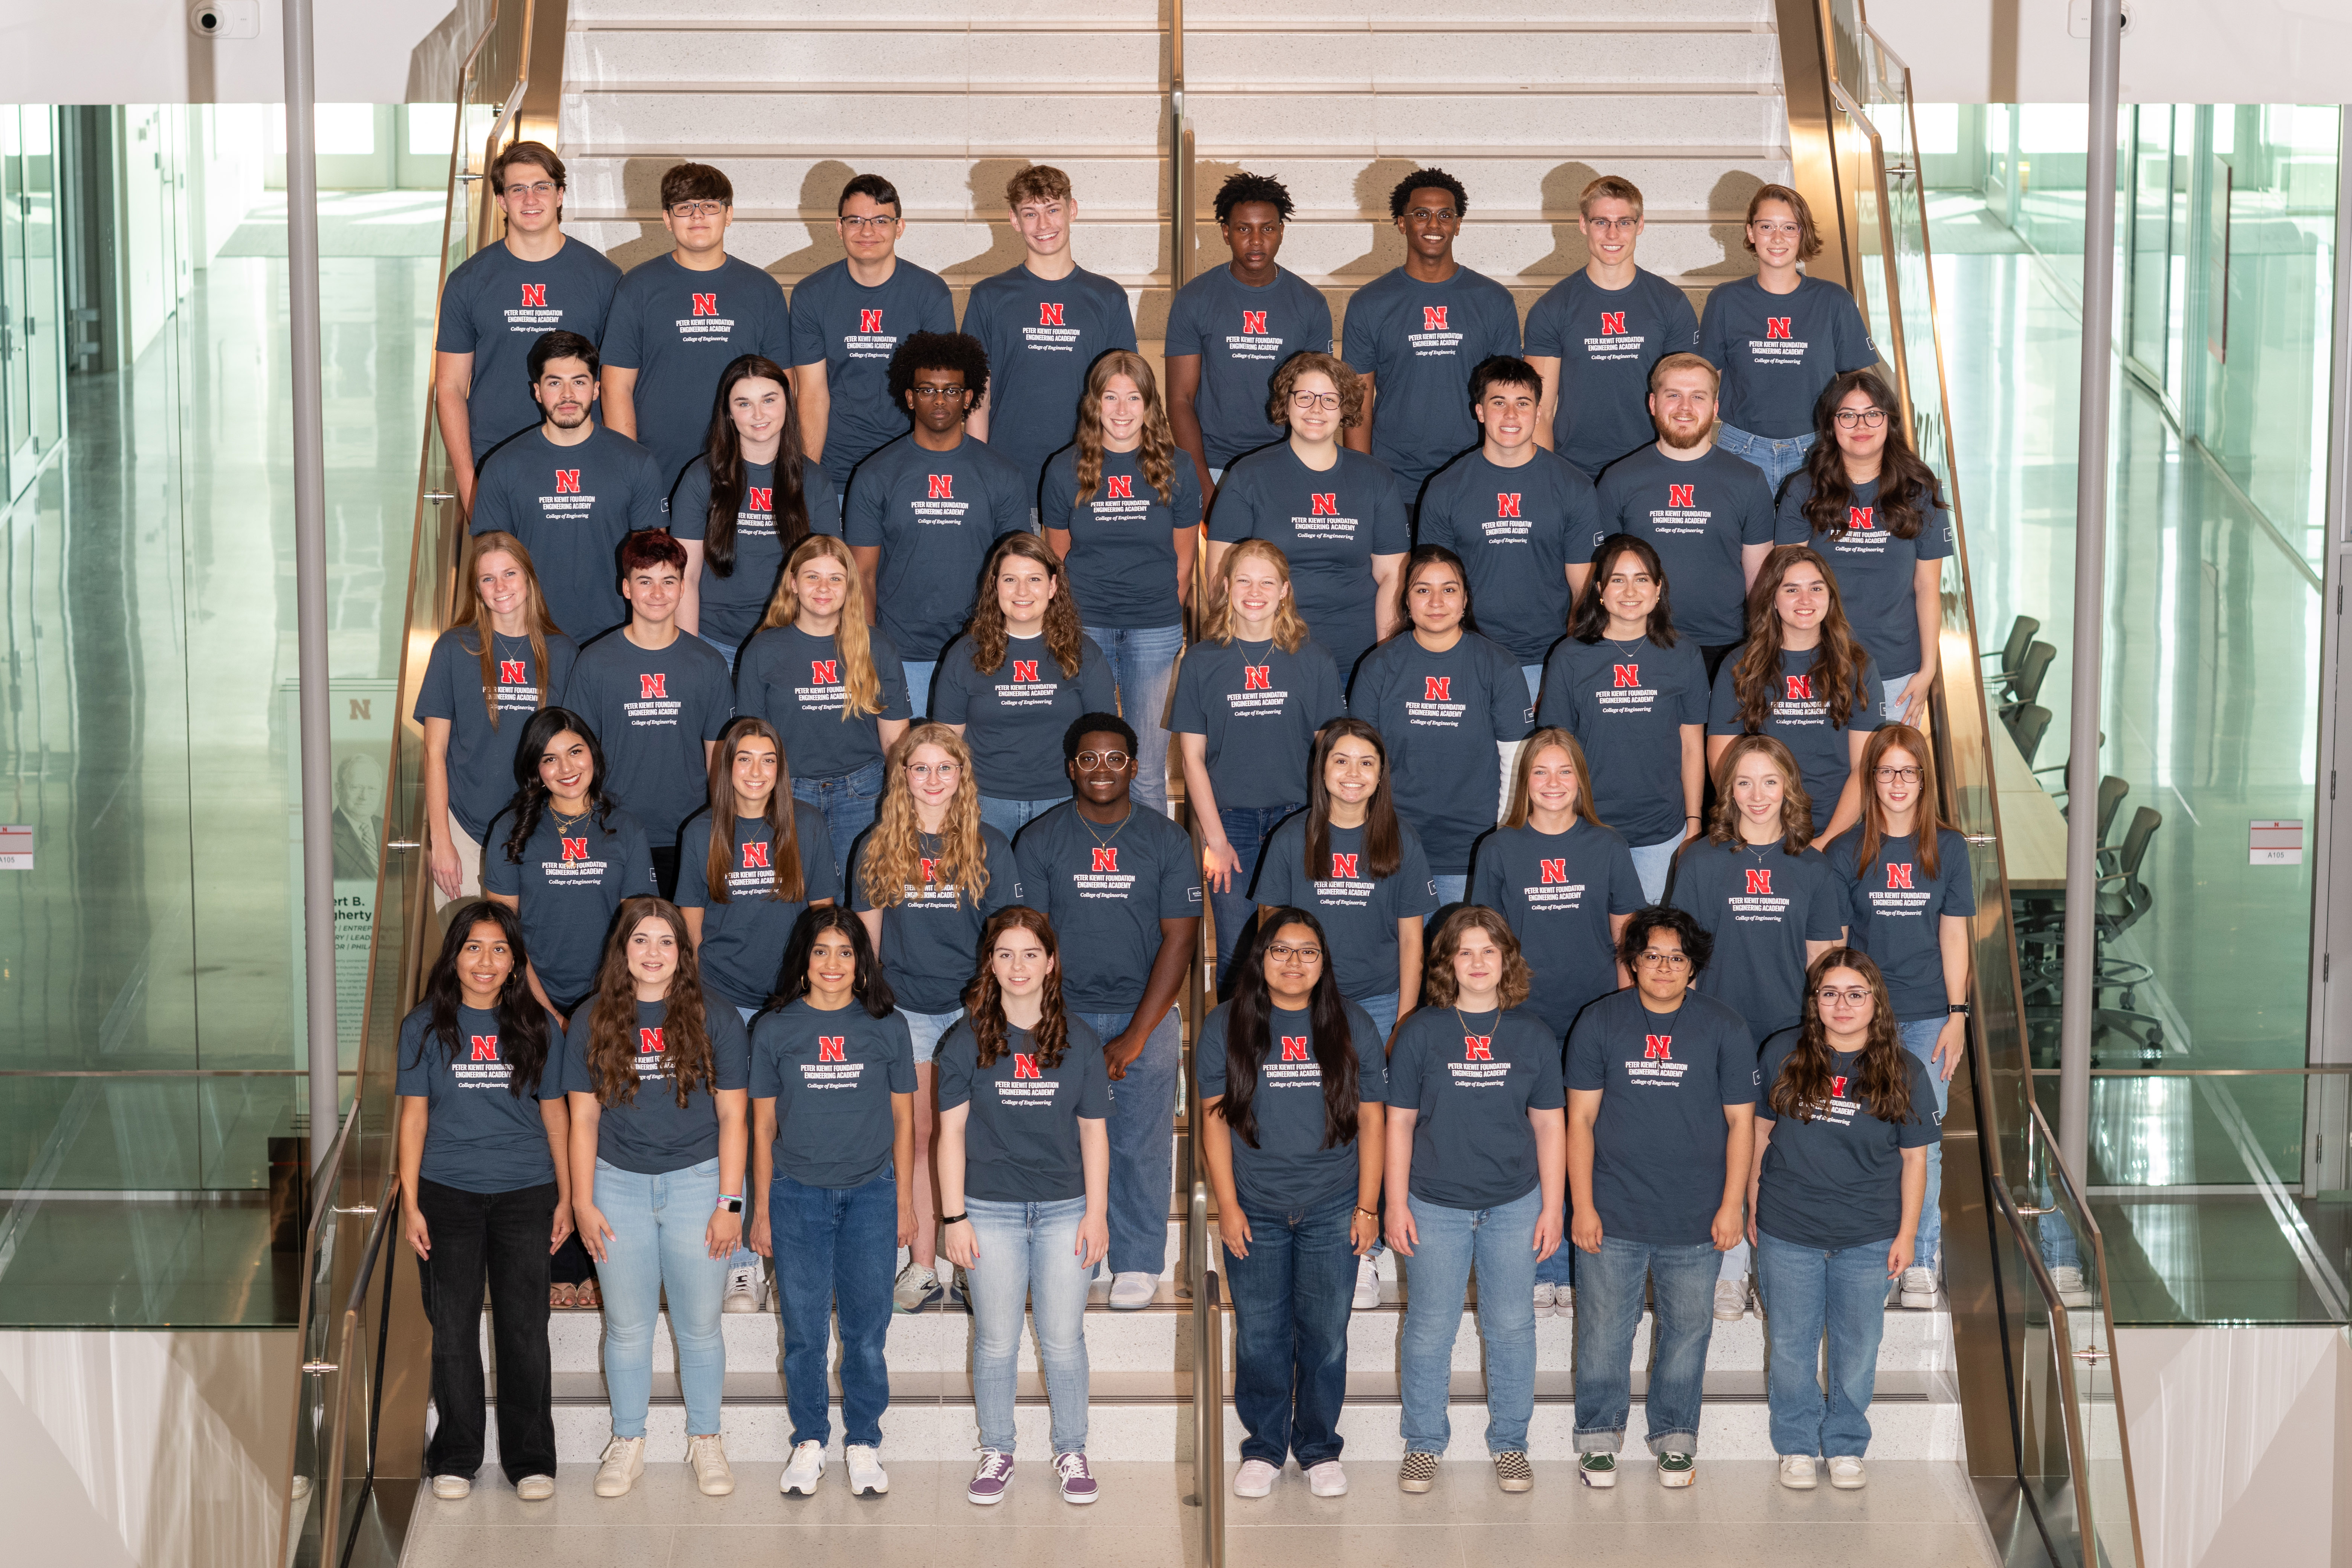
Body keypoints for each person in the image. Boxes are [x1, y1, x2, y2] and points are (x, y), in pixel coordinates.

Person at [561, 897, 752, 1499]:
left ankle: (706, 1440)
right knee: (626, 1327)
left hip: (699, 1184)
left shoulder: (715, 1016)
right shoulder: (592, 1017)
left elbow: (733, 1117)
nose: (653, 952)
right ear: (623, 949)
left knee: (699, 1328)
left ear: (682, 951)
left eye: (666, 941)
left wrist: (731, 1203)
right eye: (641, 940)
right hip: (617, 1185)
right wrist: (583, 1201)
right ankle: (628, 1441)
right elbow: (582, 1120)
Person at [1563, 906, 1754, 1491]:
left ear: (1692, 965)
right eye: (1651, 955)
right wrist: (1583, 1204)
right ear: (1633, 961)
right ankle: (1598, 1437)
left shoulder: (1724, 1026)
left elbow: (1741, 1125)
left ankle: (1675, 1436)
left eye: (1676, 956)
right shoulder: (1598, 1021)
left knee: (1688, 1329)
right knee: (1601, 1330)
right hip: (1613, 1208)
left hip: (1696, 1213)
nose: (1664, 966)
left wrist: (1732, 1206)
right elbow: (1579, 1120)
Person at [1014, 715, 1201, 1308]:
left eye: (1114, 759)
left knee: (1139, 1141)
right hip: (1061, 1015)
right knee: (1064, 1139)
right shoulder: (1040, 840)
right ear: (1070, 767)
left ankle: (1139, 1260)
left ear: (1135, 767)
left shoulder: (1166, 839)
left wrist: (1137, 1035)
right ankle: (1083, 1252)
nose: (1101, 769)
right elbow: (1034, 943)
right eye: (1088, 759)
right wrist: (1055, 1022)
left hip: (1143, 1012)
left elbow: (1180, 939)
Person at [1198, 909, 1385, 1499]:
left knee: (1325, 1334)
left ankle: (1318, 1448)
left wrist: (1367, 1206)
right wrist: (1226, 1205)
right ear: (1260, 958)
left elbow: (1374, 1121)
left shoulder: (1351, 1021)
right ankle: (1263, 1448)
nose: (1293, 962)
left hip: (1333, 1204)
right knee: (1259, 1333)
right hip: (1254, 1204)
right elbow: (1212, 1120)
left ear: (1323, 961)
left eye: (1307, 951)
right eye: (1280, 950)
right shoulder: (1225, 1023)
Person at [1384, 906, 1566, 1495]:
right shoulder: (1420, 1031)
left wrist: (1552, 1206)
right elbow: (1398, 1124)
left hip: (1513, 1202)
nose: (1477, 962)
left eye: (1489, 950)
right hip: (1433, 1201)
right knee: (1430, 1326)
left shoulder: (1532, 1035)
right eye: (1464, 951)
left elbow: (1548, 1127)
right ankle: (1422, 1442)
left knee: (1511, 1326)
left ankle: (1510, 1443)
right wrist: (1393, 1202)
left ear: (1506, 960)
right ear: (1447, 963)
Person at [1254, 719, 1435, 1311]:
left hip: (1379, 1003)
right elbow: (1269, 933)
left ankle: (1368, 1248)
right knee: (1321, 1117)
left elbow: (1414, 940)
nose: (1352, 774)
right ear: (1322, 770)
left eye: (1366, 763)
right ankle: (1333, 1240)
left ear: (1381, 774)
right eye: (1341, 761)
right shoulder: (1291, 837)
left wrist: (1406, 1017)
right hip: (1307, 1006)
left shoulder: (1400, 838)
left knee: (1370, 1125)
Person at [394, 901, 569, 1503]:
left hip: (526, 1192)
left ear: (515, 961)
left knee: (525, 1329)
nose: (486, 961)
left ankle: (530, 1458)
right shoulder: (422, 1027)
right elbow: (413, 1119)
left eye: (499, 949)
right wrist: (411, 1202)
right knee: (452, 1330)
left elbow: (556, 1118)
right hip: (447, 1195)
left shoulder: (538, 1027)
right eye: (473, 947)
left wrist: (567, 1195)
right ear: (454, 956)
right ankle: (458, 1453)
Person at [936, 907, 1112, 1506]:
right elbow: (951, 1134)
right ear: (991, 962)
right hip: (990, 1209)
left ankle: (1071, 1449)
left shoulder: (1080, 1039)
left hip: (1066, 1208)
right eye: (1006, 954)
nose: (1018, 966)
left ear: (1050, 962)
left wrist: (1097, 1212)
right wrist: (953, 1216)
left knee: (1063, 1337)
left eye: (1030, 953)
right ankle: (997, 1450)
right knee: (995, 1339)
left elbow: (1094, 1133)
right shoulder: (964, 1038)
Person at [1667, 733, 1846, 1318]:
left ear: (1789, 788)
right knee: (1718, 1150)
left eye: (1769, 781)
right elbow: (1680, 958)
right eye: (1742, 781)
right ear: (1726, 790)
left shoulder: (1813, 869)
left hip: (1786, 1035)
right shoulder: (1697, 860)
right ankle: (1726, 1270)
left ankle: (1770, 1273)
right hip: (1715, 1031)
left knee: (1780, 1158)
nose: (1756, 794)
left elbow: (1826, 965)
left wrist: (1821, 1038)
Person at [849, 724, 1025, 1311]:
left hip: (973, 1007)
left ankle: (971, 1261)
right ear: (901, 776)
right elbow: (866, 945)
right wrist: (875, 1012)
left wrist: (991, 1006)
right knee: (923, 1135)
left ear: (961, 777)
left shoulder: (989, 844)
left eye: (943, 768)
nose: (931, 779)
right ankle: (924, 1265)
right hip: (906, 1010)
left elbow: (1005, 936)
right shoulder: (875, 845)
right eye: (919, 768)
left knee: (976, 1133)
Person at [1469, 728, 1642, 1316]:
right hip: (1521, 1020)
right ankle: (1539, 1267)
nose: (1551, 783)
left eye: (1563, 771)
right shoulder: (1498, 848)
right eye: (1539, 772)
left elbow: (1628, 941)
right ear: (1524, 782)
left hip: (1593, 1018)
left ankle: (1574, 1268)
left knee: (1585, 1144)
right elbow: (1482, 944)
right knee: (1531, 1148)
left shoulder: (1607, 846)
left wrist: (1629, 1018)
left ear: (1579, 781)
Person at [1749, 949, 1935, 1492]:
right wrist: (1750, 1202)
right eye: (1829, 992)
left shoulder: (1904, 1069)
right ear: (1814, 1002)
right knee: (1789, 1344)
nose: (1842, 1003)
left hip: (1867, 1235)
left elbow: (1914, 1159)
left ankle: (1846, 1442)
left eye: (1855, 993)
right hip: (1788, 1228)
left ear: (1875, 1002)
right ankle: (1796, 1444)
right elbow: (1759, 1134)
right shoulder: (1781, 1051)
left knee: (1856, 1347)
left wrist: (1906, 1234)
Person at [748, 906, 916, 1498]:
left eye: (845, 952)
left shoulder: (887, 1025)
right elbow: (762, 1124)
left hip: (871, 1194)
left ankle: (864, 1439)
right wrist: (762, 1208)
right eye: (821, 951)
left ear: (861, 962)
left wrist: (904, 1200)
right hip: (796, 1196)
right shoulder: (773, 1029)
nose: (833, 963)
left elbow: (903, 1116)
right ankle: (810, 1440)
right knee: (803, 1331)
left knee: (868, 1329)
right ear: (803, 960)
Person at [1823, 724, 1971, 1307]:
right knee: (1860, 1134)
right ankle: (1864, 1248)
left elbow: (1954, 934)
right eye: (1885, 771)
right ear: (1870, 778)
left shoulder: (1948, 848)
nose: (1896, 782)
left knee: (1922, 1144)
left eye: (1907, 771)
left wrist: (1956, 1014)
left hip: (1928, 1015)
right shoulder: (1846, 851)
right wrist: (1836, 1019)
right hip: (1859, 1021)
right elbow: (1836, 944)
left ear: (1923, 779)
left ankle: (1919, 1258)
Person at [1172, 539, 1344, 984]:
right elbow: (1191, 758)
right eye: (1244, 580)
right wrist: (1215, 838)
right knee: (1236, 954)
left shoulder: (1315, 659)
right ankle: (1240, 1053)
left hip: (1301, 819)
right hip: (1232, 825)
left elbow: (1332, 754)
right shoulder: (1201, 661)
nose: (1255, 591)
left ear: (1285, 590)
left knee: (1308, 948)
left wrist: (1326, 825)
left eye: (1267, 581)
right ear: (1226, 587)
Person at [1041, 351, 1203, 814]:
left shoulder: (1179, 468)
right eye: (1110, 396)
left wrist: (1159, 614)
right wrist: (1068, 627)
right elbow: (1058, 558)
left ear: (1149, 405)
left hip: (1154, 630)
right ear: (1094, 403)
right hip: (1084, 629)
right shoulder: (1063, 468)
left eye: (1134, 398)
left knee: (1147, 770)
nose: (1121, 409)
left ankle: (1150, 875)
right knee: (1086, 761)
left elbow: (1184, 563)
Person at [845, 332, 1029, 718]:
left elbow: (1019, 575)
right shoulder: (875, 474)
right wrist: (870, 653)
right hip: (901, 656)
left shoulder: (1003, 475)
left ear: (968, 397)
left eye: (951, 391)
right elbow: (862, 575)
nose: (940, 400)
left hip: (980, 654)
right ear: (910, 397)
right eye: (928, 389)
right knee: (905, 774)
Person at [433, 141, 621, 511]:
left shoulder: (603, 278)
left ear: (561, 194)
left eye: (542, 186)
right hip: (496, 461)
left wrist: (616, 467)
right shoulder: (468, 281)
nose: (530, 198)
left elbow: (618, 383)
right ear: (502, 200)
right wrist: (471, 486)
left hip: (582, 460)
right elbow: (450, 386)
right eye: (517, 189)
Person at [1205, 352, 1409, 685]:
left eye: (1329, 399)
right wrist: (1246, 650)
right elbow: (1220, 578)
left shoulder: (1375, 478)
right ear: (1286, 403)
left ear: (1345, 407)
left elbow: (1391, 576)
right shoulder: (1248, 476)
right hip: (1271, 656)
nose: (1316, 409)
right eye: (1305, 397)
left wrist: (1383, 654)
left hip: (1355, 660)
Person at [1346, 545, 1531, 906]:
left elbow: (1517, 765)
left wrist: (1503, 842)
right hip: (1393, 846)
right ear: (1406, 600)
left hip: (1471, 852)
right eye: (1422, 590)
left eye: (1448, 589)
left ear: (1465, 601)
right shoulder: (1377, 668)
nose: (1436, 601)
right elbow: (1359, 764)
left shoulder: (1499, 667)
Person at [1416, 355, 1602, 700]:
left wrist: (1566, 667)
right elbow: (1433, 589)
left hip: (1544, 662)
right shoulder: (1445, 489)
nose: (1511, 416)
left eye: (1523, 403)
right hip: (1468, 659)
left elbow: (1583, 592)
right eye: (1498, 403)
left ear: (1538, 411)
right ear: (1480, 411)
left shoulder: (1573, 487)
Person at [600, 162, 795, 489]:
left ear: (729, 215)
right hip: (658, 466)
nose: (697, 216)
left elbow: (784, 385)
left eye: (709, 206)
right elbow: (615, 387)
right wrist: (631, 470)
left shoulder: (761, 289)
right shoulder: (636, 288)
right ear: (666, 219)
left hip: (743, 464)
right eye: (684, 207)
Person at [562, 529, 735, 897]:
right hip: (612, 833)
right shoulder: (594, 663)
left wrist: (720, 830)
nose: (658, 593)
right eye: (645, 581)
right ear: (626, 588)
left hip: (686, 835)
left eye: (668, 581)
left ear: (683, 588)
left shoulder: (708, 665)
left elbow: (717, 757)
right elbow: (576, 757)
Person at [1536, 534, 1706, 902]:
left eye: (1642, 579)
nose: (1630, 590)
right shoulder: (1570, 656)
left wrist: (1694, 823)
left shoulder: (1685, 655)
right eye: (1618, 579)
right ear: (1600, 589)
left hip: (1661, 832)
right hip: (1587, 826)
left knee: (1650, 945)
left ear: (1659, 588)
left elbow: (1692, 747)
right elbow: (1556, 748)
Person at [1777, 367, 1955, 721]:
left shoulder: (1920, 492)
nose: (1861, 426)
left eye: (1873, 414)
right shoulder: (1803, 490)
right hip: (1818, 666)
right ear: (1831, 425)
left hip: (1896, 672)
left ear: (1889, 422)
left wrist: (1928, 669)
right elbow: (1784, 586)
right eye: (1848, 415)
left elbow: (1927, 588)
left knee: (1887, 776)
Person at [1342, 167, 1522, 510]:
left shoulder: (1493, 300)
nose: (1434, 225)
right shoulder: (1369, 302)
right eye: (1421, 215)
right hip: (1395, 479)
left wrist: (1504, 472)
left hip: (1474, 476)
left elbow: (1508, 399)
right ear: (1401, 223)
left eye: (1445, 216)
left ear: (1457, 224)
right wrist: (1360, 479)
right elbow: (1357, 403)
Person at [469, 329, 665, 643]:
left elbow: (652, 562)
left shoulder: (636, 463)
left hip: (615, 635)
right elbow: (490, 564)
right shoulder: (503, 466)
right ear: (537, 392)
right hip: (531, 633)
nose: (567, 395)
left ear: (597, 389)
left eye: (579, 381)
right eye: (554, 383)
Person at [1592, 352, 1777, 681]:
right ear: (1652, 403)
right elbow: (1603, 575)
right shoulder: (1618, 479)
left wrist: (1759, 647)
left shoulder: (1748, 480)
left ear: (1715, 408)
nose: (1684, 408)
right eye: (1673, 395)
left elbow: (1759, 582)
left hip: (1724, 648)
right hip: (1639, 641)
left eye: (1698, 397)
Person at [419, 533, 579, 906]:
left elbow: (576, 756)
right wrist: (441, 840)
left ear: (529, 579)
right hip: (463, 830)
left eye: (510, 574)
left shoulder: (564, 653)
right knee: (473, 957)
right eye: (488, 579)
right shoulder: (453, 649)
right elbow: (433, 751)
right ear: (477, 590)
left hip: (542, 829)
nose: (500, 586)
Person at [735, 534, 911, 873]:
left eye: (835, 578)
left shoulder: (879, 648)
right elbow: (750, 742)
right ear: (793, 583)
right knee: (795, 897)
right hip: (790, 793)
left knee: (859, 896)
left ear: (850, 588)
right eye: (812, 576)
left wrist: (901, 804)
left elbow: (895, 742)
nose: (823, 587)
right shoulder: (763, 650)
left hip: (864, 793)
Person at [964, 164, 1140, 503]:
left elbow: (1125, 394)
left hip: (1088, 476)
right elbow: (977, 396)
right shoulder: (989, 296)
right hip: (1009, 475)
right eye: (1030, 214)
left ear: (1072, 211)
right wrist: (979, 467)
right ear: (1015, 221)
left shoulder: (1107, 297)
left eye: (1053, 210)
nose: (1043, 225)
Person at [934, 531, 1118, 837]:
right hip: (985, 804)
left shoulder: (1084, 652)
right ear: (994, 585)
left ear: (1053, 586)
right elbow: (945, 744)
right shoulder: (965, 654)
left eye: (1034, 579)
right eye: (1009, 580)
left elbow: (1105, 738)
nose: (1022, 591)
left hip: (1064, 802)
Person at [1698, 184, 1878, 494]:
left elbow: (1856, 383)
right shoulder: (1725, 300)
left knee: (1809, 544)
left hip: (1815, 450)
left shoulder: (1833, 300)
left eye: (1789, 227)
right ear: (1751, 233)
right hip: (1740, 447)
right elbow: (1704, 376)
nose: (1777, 238)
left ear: (1802, 234)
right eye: (1766, 226)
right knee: (1743, 544)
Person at [483, 708, 657, 1025]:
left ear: (593, 753)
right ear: (536, 768)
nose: (566, 768)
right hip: (530, 997)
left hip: (611, 998)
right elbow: (502, 935)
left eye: (575, 752)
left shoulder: (627, 828)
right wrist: (548, 1016)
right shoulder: (510, 829)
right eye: (550, 759)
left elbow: (639, 930)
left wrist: (609, 1004)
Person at [1165, 170, 1334, 493]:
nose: (1256, 241)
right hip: (1214, 466)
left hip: (1288, 464)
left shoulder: (1310, 303)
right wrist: (1203, 486)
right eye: (1244, 229)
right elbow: (1180, 399)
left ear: (1282, 232)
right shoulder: (1194, 299)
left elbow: (1319, 401)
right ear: (1226, 233)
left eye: (1267, 229)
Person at [666, 353, 841, 665]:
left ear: (787, 403)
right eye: (744, 403)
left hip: (790, 644)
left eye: (769, 400)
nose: (758, 414)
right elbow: (686, 578)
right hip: (714, 644)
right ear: (729, 413)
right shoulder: (699, 477)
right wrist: (690, 659)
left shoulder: (815, 481)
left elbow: (831, 579)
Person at [788, 172, 957, 494]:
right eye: (855, 221)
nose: (867, 231)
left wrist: (937, 467)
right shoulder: (812, 295)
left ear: (899, 227)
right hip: (835, 470)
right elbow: (811, 393)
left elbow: (939, 392)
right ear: (840, 228)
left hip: (908, 469)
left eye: (880, 220)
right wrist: (807, 479)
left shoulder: (930, 294)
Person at [1524, 174, 1699, 480]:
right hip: (1575, 470)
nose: (1613, 234)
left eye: (1624, 222)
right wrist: (1547, 479)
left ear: (1640, 225)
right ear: (1583, 225)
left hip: (1651, 468)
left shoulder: (1670, 303)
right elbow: (1541, 410)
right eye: (1601, 222)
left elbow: (1684, 403)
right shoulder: (1552, 307)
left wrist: (1679, 471)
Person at [1708, 544, 1879, 842]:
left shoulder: (1856, 665)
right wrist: (1757, 830)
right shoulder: (1739, 666)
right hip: (1760, 830)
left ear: (1830, 597)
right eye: (1791, 590)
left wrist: (1827, 842)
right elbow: (1722, 762)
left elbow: (1863, 768)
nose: (1805, 599)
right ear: (1772, 599)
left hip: (1836, 832)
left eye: (1816, 588)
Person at [331, 755, 383, 881]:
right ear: (339, 789)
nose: (364, 796)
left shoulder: (390, 828)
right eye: (356, 787)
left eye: (372, 788)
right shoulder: (323, 835)